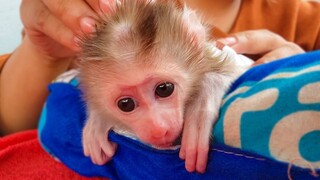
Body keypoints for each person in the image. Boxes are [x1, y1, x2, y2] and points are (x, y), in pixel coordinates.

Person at [0, 0, 318, 136]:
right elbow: (14, 130)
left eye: (164, 88)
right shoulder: (107, 15)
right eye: (126, 103)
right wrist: (42, 54)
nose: (160, 128)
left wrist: (302, 69)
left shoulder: (307, 19)